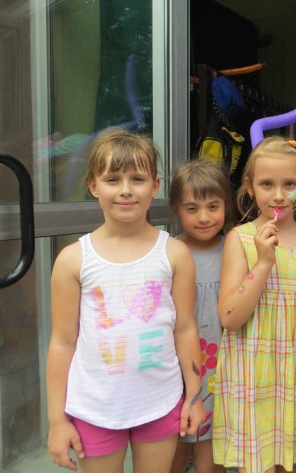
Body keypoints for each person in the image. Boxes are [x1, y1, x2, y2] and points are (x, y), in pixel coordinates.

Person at [47, 128, 205, 472]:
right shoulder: (73, 260)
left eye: (137, 179)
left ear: (155, 186)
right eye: (112, 179)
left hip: (160, 402)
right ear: (93, 185)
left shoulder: (175, 253)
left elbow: (185, 329)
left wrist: (193, 396)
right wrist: (57, 420)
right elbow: (62, 342)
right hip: (95, 408)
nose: (125, 190)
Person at [213, 136, 296, 472]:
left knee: (295, 464)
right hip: (255, 374)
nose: (278, 195)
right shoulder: (240, 239)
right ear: (250, 186)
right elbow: (230, 317)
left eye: (289, 184)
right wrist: (264, 263)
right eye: (267, 184)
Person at [169, 158, 234, 473]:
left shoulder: (235, 249)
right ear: (176, 210)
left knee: (212, 450)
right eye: (192, 208)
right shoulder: (168, 251)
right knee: (175, 445)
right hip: (177, 366)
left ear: (226, 206)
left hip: (221, 366)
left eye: (213, 206)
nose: (204, 217)